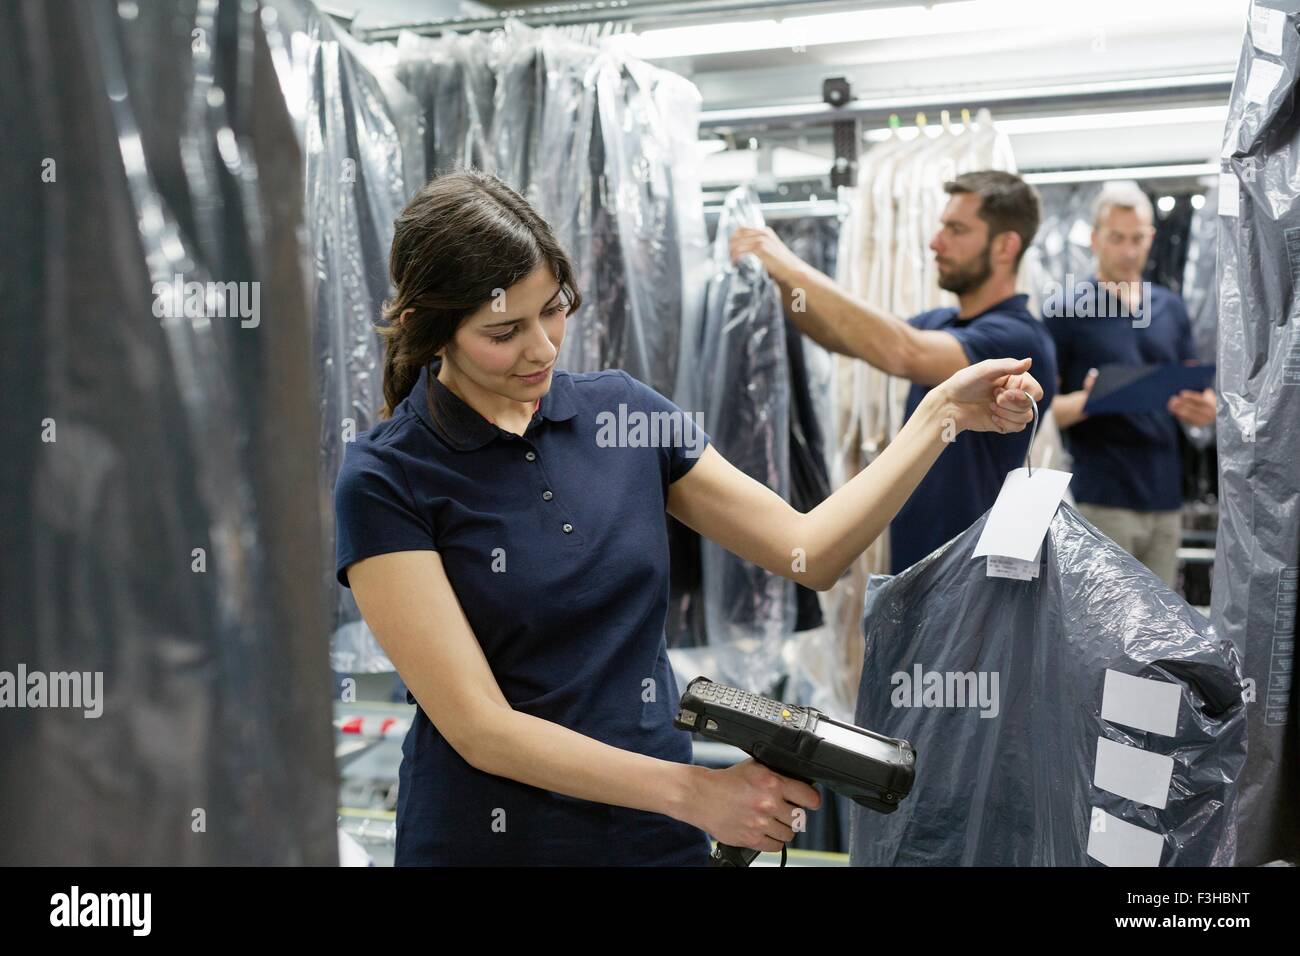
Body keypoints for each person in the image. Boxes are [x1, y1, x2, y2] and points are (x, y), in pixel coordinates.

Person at [333, 168, 1043, 866]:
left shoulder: (622, 414)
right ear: (431, 328)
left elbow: (808, 551)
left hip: (652, 839)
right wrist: (696, 793)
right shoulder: (388, 477)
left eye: (555, 307)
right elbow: (481, 728)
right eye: (504, 330)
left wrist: (940, 415)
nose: (544, 347)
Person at [730, 170, 1058, 573]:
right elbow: (846, 337)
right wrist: (783, 283)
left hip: (973, 577)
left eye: (956, 230)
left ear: (1006, 245)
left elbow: (903, 352)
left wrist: (787, 263)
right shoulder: (940, 320)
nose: (936, 243)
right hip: (918, 564)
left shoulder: (1018, 339)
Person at [1046, 181, 1215, 587]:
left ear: (1151, 238)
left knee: (1160, 627)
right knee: (1104, 630)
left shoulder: (1169, 307)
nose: (1128, 250)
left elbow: (1197, 390)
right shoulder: (1066, 310)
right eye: (1117, 238)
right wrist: (1090, 399)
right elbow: (1042, 410)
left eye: (1137, 238)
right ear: (1095, 239)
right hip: (1102, 495)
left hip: (1165, 497)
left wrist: (1204, 409)